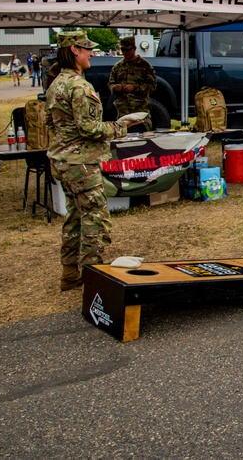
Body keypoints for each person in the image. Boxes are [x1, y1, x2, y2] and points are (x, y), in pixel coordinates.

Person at [45, 31, 141, 291]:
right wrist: (121, 126)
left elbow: (50, 123)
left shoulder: (56, 83)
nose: (91, 54)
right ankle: (93, 277)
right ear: (74, 50)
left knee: (75, 216)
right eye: (87, 49)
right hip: (81, 163)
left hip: (64, 160)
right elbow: (90, 128)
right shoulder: (78, 85)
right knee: (95, 219)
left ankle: (70, 274)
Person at [108, 36, 157, 131]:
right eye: (123, 49)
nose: (125, 52)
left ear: (134, 49)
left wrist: (135, 88)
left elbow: (152, 86)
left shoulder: (144, 66)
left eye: (128, 50)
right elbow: (110, 83)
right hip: (123, 110)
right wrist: (115, 88)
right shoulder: (118, 66)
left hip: (140, 109)